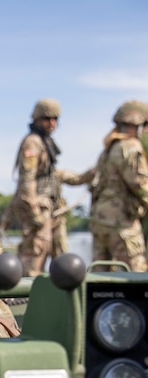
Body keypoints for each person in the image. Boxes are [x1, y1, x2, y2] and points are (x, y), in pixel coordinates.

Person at [59, 100, 148, 272]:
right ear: (135, 123)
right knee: (137, 274)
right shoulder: (131, 147)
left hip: (100, 221)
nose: (145, 130)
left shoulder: (108, 150)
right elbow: (140, 184)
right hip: (122, 223)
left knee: (100, 277)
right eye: (144, 125)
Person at [8, 98, 69, 276]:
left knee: (56, 252)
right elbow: (26, 180)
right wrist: (35, 213)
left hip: (47, 207)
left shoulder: (44, 142)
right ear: (36, 119)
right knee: (34, 258)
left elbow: (53, 174)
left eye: (55, 119)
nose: (51, 123)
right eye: (46, 119)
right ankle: (26, 299)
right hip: (37, 208)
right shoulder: (33, 143)